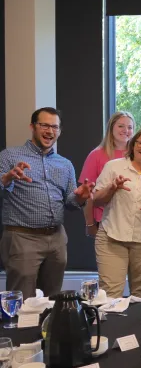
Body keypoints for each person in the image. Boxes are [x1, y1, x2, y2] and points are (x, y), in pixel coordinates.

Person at [0, 108, 94, 297]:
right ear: (32, 127)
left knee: (52, 299)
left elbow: (69, 202)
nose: (50, 131)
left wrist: (80, 197)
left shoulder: (65, 164)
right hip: (22, 237)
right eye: (44, 125)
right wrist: (6, 179)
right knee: (22, 300)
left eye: (55, 127)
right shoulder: (9, 156)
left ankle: (47, 328)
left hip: (57, 239)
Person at [93, 128, 141, 298]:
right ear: (132, 145)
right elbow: (96, 199)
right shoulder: (113, 166)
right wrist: (112, 188)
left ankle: (137, 325)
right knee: (110, 294)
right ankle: (110, 325)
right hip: (112, 237)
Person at [81, 111, 135, 238]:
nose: (125, 130)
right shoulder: (96, 155)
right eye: (121, 126)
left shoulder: (137, 155)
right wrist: (89, 224)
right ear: (111, 128)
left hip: (133, 221)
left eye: (130, 127)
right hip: (105, 221)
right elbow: (87, 194)